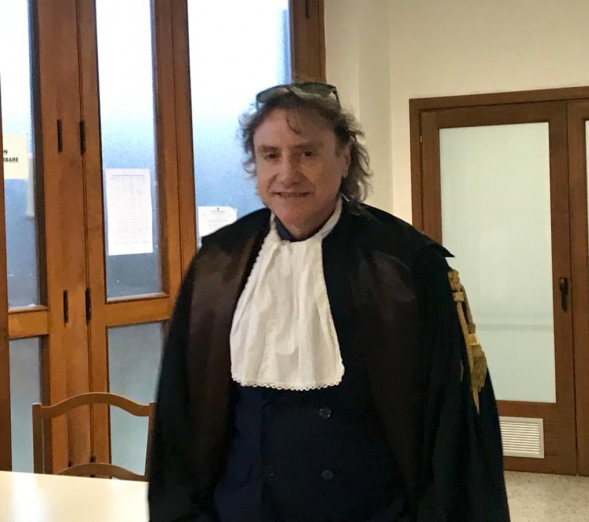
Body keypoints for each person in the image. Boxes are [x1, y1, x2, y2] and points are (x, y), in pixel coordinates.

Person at [148, 82, 510, 522]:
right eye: (270, 155)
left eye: (307, 153)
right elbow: (181, 413)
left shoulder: (405, 265)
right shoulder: (217, 264)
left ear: (345, 158)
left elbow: (450, 425)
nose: (287, 174)